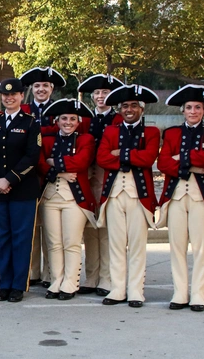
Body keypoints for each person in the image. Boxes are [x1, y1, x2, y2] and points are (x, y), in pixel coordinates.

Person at [157, 85, 204, 312]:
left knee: (201, 247)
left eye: (197, 107)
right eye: (189, 107)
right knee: (177, 246)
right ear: (182, 110)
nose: (193, 111)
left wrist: (180, 157)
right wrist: (191, 164)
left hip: (202, 197)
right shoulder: (171, 133)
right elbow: (163, 163)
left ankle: (198, 294)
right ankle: (180, 292)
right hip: (176, 196)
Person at [96, 84, 160, 308]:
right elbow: (102, 158)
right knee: (115, 243)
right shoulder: (111, 131)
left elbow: (148, 158)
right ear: (120, 109)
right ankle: (117, 288)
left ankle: (136, 290)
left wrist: (120, 153)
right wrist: (132, 155)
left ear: (141, 109)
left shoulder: (151, 132)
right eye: (125, 106)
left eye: (134, 105)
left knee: (136, 244)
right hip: (114, 194)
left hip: (138, 195)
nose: (129, 109)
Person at [0, 78, 41, 303]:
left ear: (21, 96)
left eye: (14, 94)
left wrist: (10, 180)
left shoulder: (30, 123)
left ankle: (18, 285)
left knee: (21, 238)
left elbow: (32, 155)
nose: (9, 98)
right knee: (0, 238)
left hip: (22, 190)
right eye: (5, 95)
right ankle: (4, 283)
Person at [37, 99, 97, 300]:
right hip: (50, 196)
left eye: (72, 118)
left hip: (74, 198)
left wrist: (54, 162)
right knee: (53, 242)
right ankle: (56, 280)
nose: (68, 122)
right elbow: (40, 163)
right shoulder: (47, 140)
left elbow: (82, 161)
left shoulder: (86, 139)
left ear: (79, 122)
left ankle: (71, 283)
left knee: (71, 242)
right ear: (57, 120)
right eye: (64, 118)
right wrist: (61, 173)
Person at [76, 74, 123, 295]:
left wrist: (111, 153)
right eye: (97, 93)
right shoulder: (84, 119)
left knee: (105, 227)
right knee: (89, 226)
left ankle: (106, 277)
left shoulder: (119, 120)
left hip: (109, 176)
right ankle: (91, 276)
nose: (101, 96)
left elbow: (119, 151)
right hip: (86, 174)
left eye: (105, 93)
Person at [19, 66, 65, 287]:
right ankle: (32, 271)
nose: (41, 89)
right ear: (31, 88)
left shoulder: (59, 110)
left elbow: (62, 133)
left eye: (45, 85)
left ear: (51, 88)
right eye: (37, 86)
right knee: (30, 225)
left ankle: (49, 273)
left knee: (50, 226)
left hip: (50, 171)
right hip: (27, 172)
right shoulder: (24, 109)